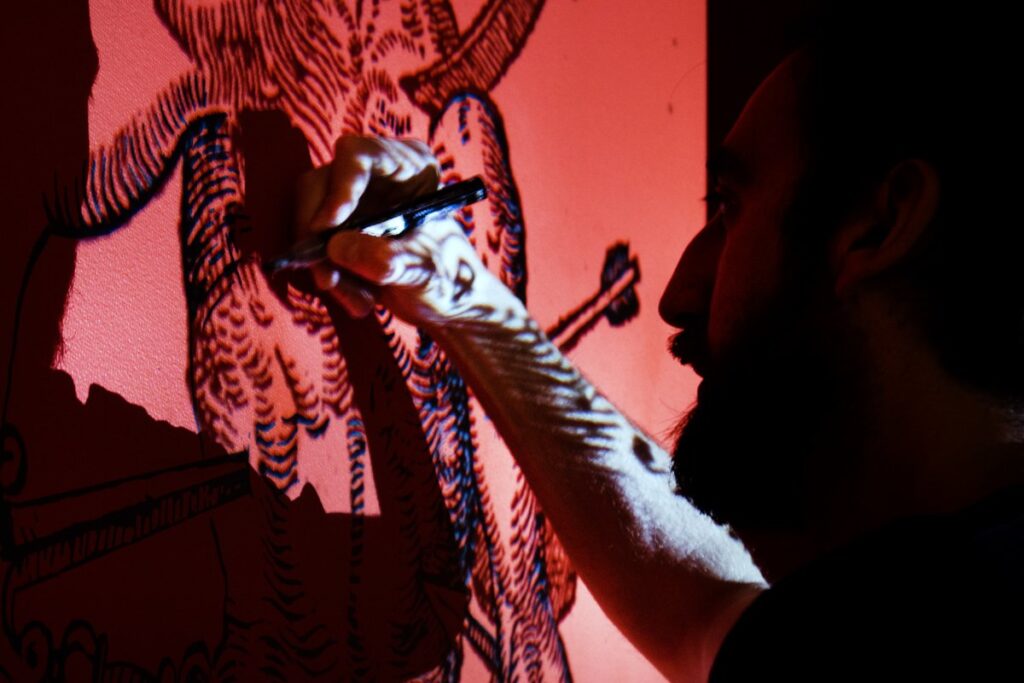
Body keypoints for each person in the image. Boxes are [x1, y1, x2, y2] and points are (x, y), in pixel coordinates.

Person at [292, 3, 1022, 680]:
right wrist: (457, 286)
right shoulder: (897, 617)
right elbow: (705, 608)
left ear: (878, 225)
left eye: (730, 207)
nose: (677, 293)